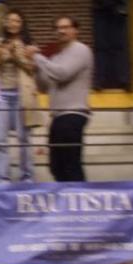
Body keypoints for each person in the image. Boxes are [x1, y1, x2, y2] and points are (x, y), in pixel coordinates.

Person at [0, 9, 39, 184]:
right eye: (9, 21)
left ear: (22, 24)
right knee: (0, 139)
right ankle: (3, 179)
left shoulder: (28, 44)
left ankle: (27, 177)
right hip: (0, 96)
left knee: (24, 138)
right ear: (4, 23)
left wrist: (16, 56)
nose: (13, 24)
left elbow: (32, 69)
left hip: (22, 95)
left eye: (17, 21)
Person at [35, 15, 94, 182]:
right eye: (58, 28)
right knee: (56, 166)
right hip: (57, 116)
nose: (61, 31)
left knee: (71, 163)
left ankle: (80, 200)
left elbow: (62, 74)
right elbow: (43, 86)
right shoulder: (55, 58)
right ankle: (66, 200)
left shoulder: (80, 49)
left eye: (66, 27)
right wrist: (35, 68)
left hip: (73, 114)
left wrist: (38, 58)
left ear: (75, 30)